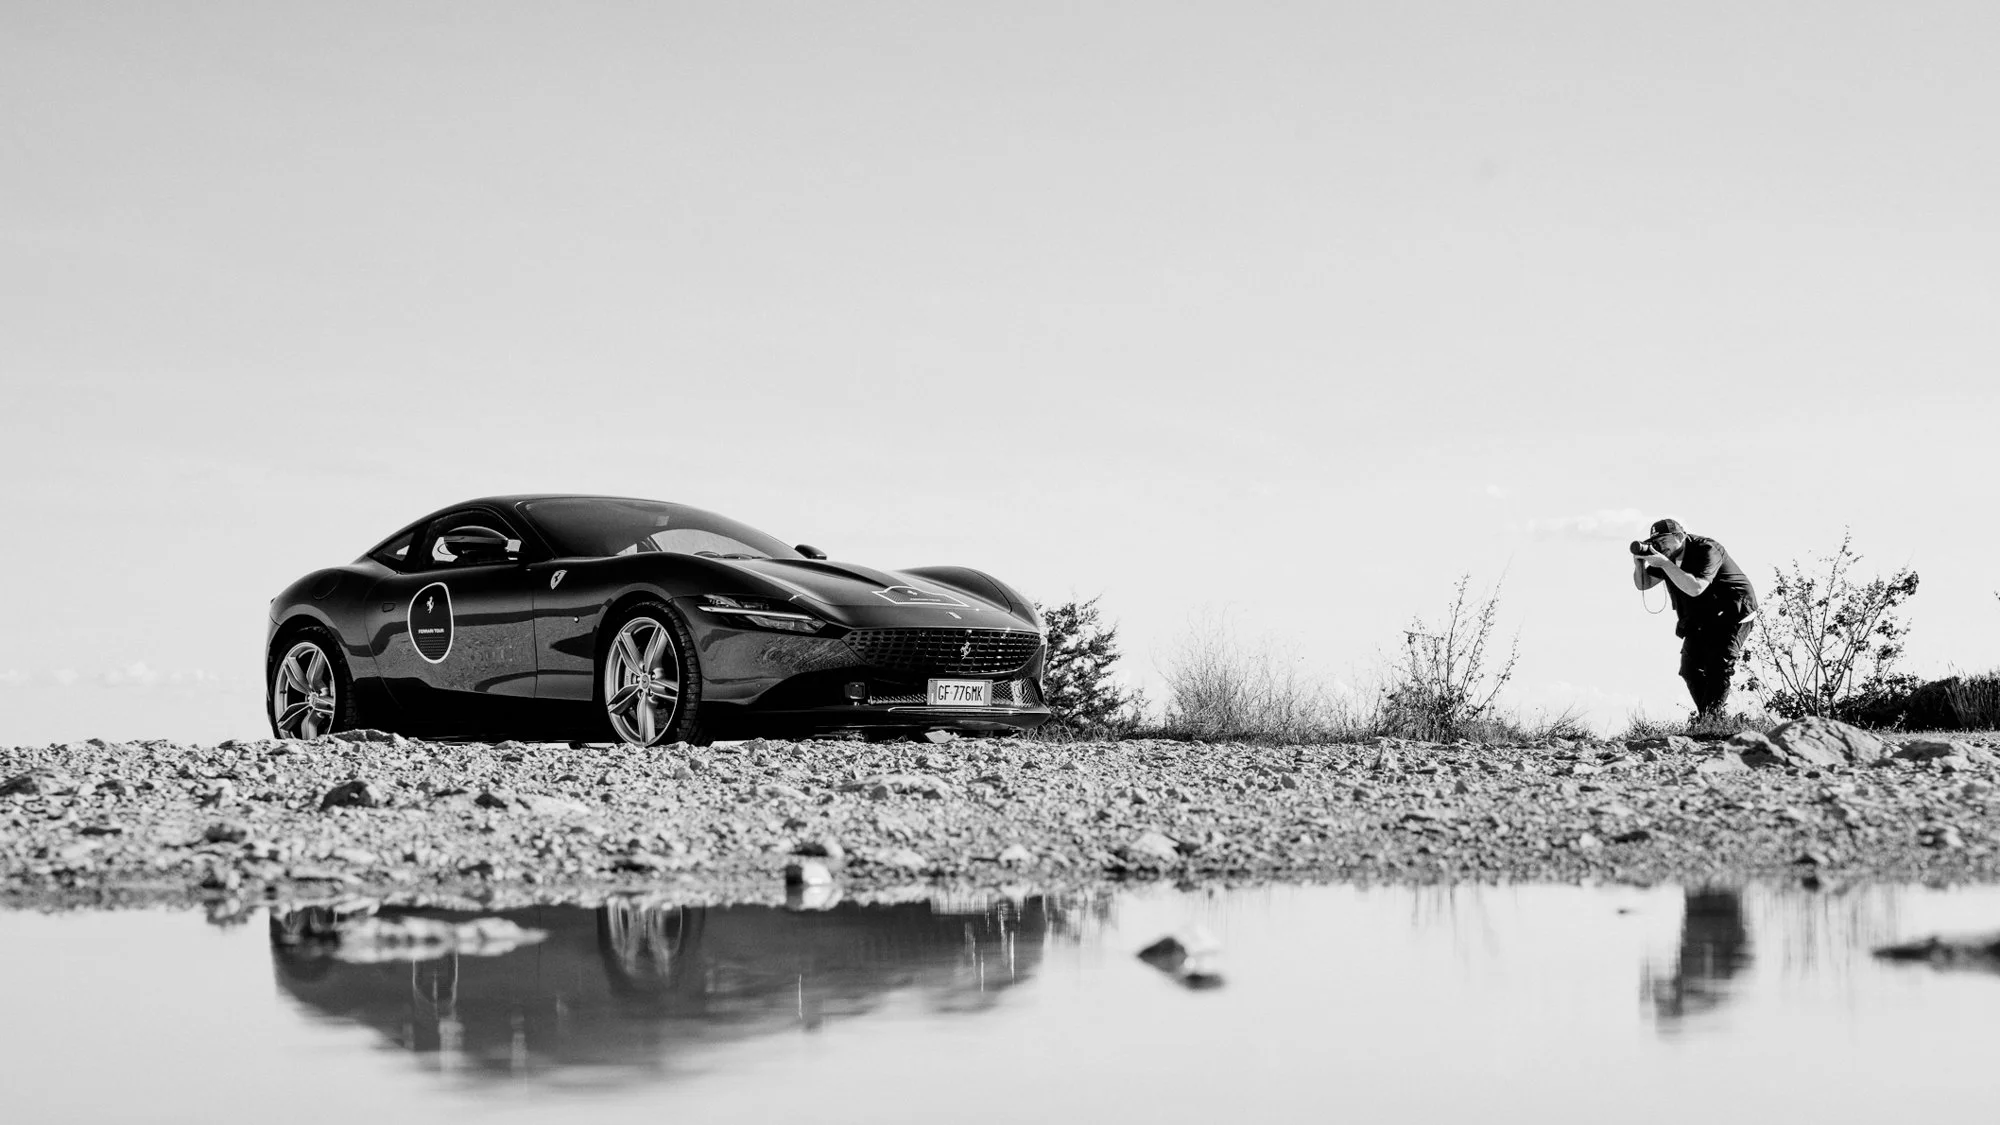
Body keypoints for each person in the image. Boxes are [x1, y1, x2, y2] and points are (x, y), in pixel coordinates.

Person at [1632, 518, 1758, 720]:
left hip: (1734, 612)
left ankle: (1710, 720)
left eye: (1663, 541)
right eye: (1655, 542)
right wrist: (1639, 563)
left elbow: (1696, 587)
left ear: (1680, 537)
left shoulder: (1707, 549)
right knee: (1690, 669)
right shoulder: (1666, 556)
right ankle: (1710, 719)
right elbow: (1643, 584)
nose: (1659, 547)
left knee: (1718, 666)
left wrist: (1665, 564)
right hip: (1702, 617)